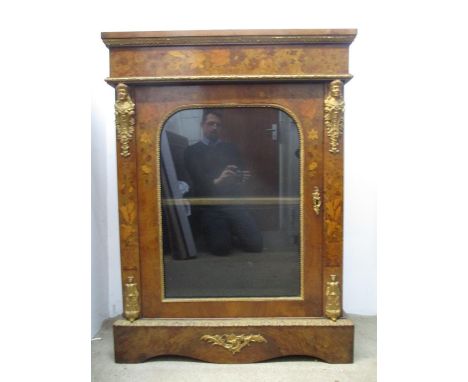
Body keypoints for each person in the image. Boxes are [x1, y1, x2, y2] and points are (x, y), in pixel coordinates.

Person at [184, 109, 263, 255]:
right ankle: (224, 231)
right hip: (210, 206)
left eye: (218, 125)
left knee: (256, 246)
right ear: (202, 125)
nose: (215, 128)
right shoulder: (191, 151)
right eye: (211, 124)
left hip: (233, 202)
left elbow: (241, 170)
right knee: (221, 249)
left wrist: (242, 178)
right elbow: (197, 184)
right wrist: (219, 180)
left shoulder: (230, 148)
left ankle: (230, 229)